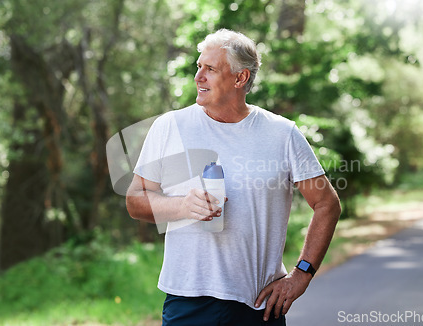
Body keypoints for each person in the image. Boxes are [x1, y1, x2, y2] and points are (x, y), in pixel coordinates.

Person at [126, 29, 341, 325]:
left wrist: (301, 274)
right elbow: (135, 200)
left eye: (210, 69)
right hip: (189, 301)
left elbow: (327, 204)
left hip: (259, 305)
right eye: (198, 67)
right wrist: (181, 208)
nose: (198, 77)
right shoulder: (170, 127)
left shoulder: (282, 134)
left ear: (240, 78)